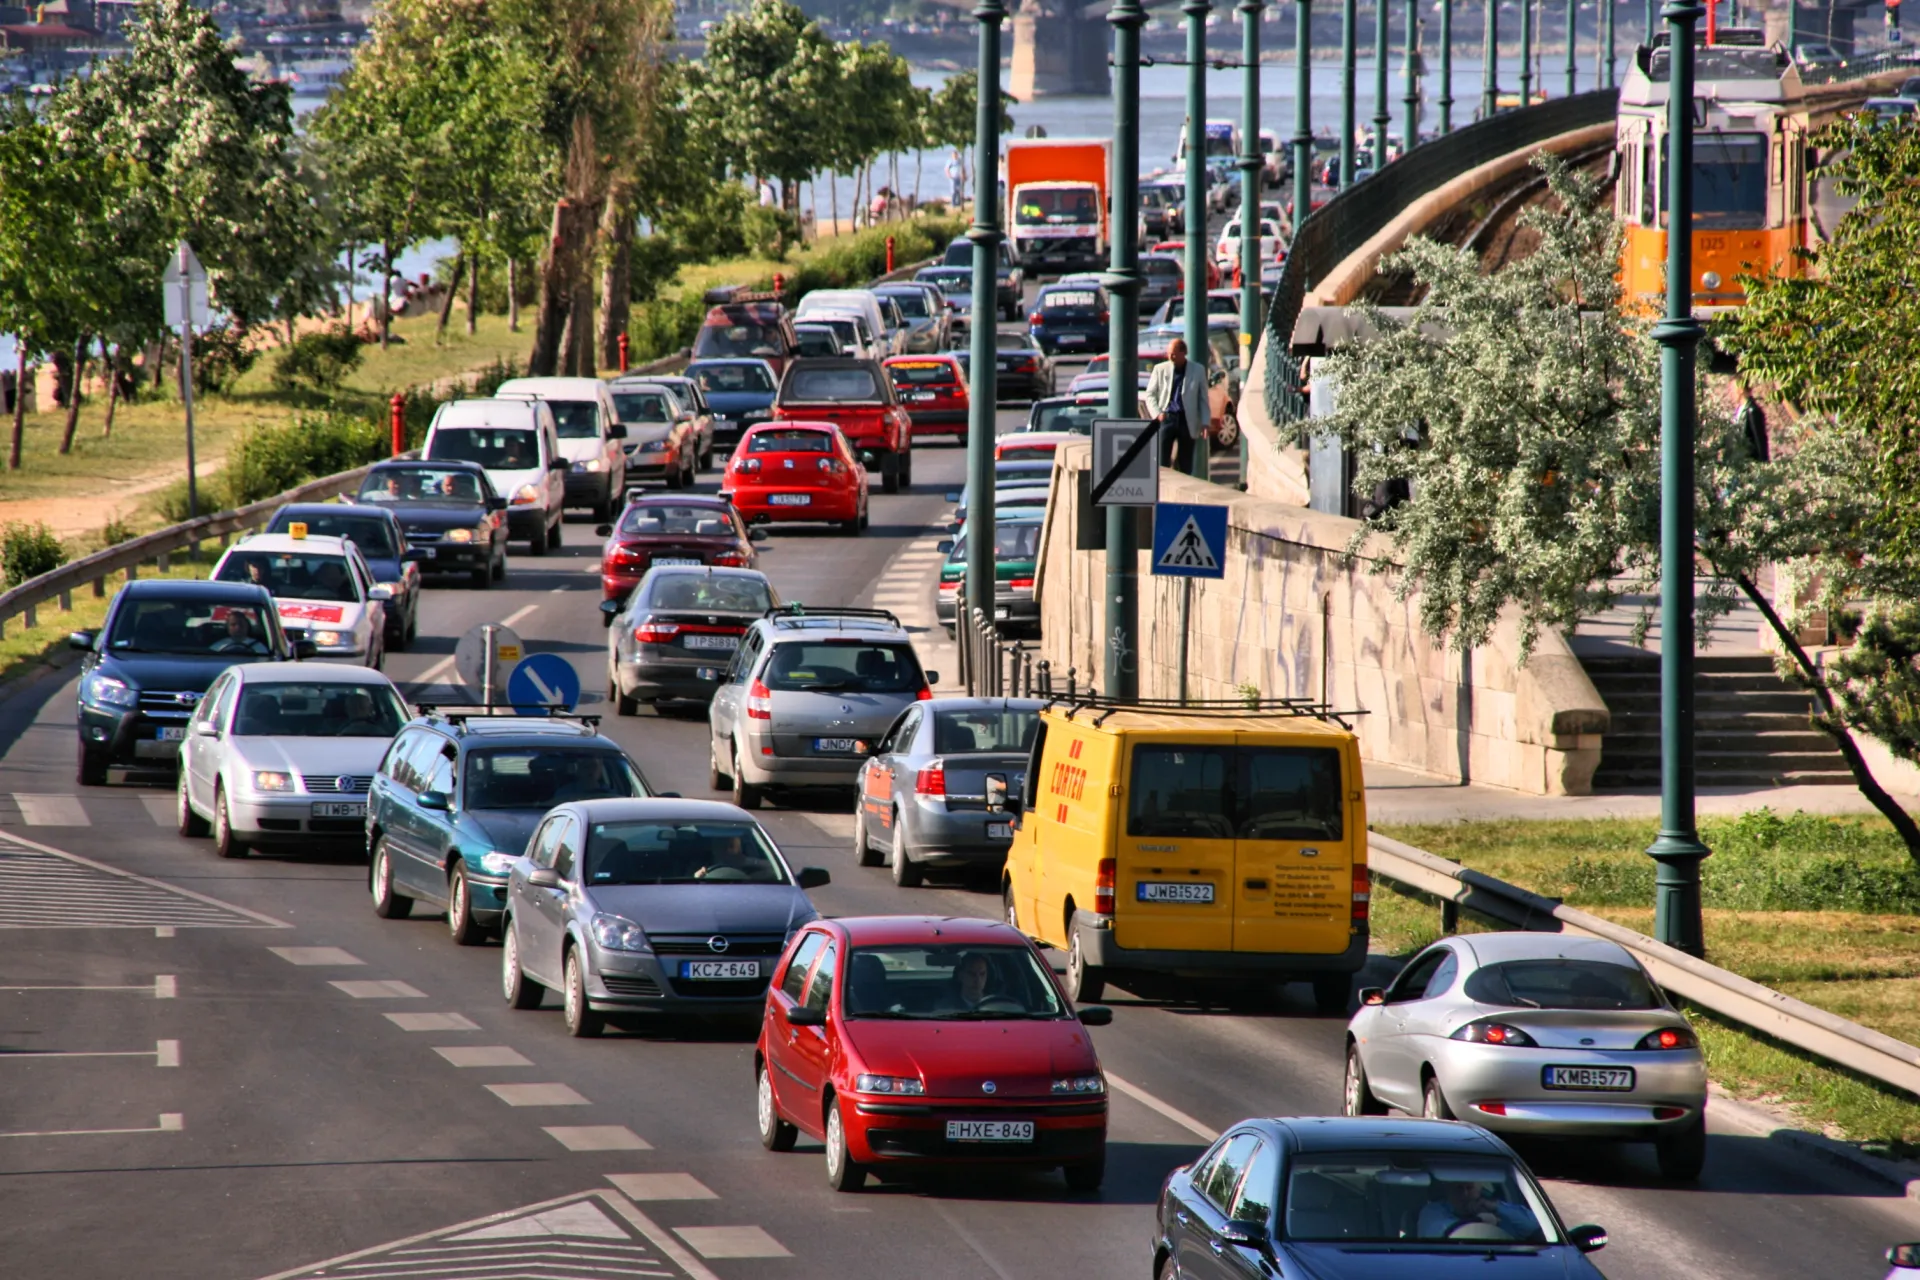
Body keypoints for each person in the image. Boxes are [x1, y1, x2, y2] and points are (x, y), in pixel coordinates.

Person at [1146, 338, 1208, 475]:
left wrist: (1205, 422)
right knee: (1162, 462)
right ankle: (1163, 485)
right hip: (1167, 417)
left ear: (1183, 352)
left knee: (1185, 464)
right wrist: (1157, 413)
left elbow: (1203, 399)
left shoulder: (1198, 370)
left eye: (1173, 354)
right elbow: (1149, 394)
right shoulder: (1160, 369)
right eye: (1168, 353)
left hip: (1187, 419)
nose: (1170, 357)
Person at [1415, 1179, 1538, 1241]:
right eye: (1458, 1188)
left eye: (1469, 1188)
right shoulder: (1433, 1211)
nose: (1464, 1194)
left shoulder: (1493, 1209)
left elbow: (1533, 1225)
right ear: (1448, 1191)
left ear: (1479, 1190)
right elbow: (1446, 1233)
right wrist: (1480, 1221)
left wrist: (1496, 1206)